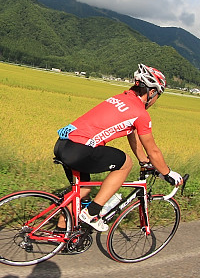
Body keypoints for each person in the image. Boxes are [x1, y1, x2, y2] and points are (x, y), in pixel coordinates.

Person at [53, 63, 183, 232]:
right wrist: (167, 173)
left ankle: (60, 234)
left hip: (64, 144)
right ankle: (92, 213)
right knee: (125, 163)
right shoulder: (141, 113)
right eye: (158, 94)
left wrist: (143, 161)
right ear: (151, 92)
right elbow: (154, 150)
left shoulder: (121, 98)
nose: (156, 99)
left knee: (82, 190)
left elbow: (132, 133)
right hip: (80, 149)